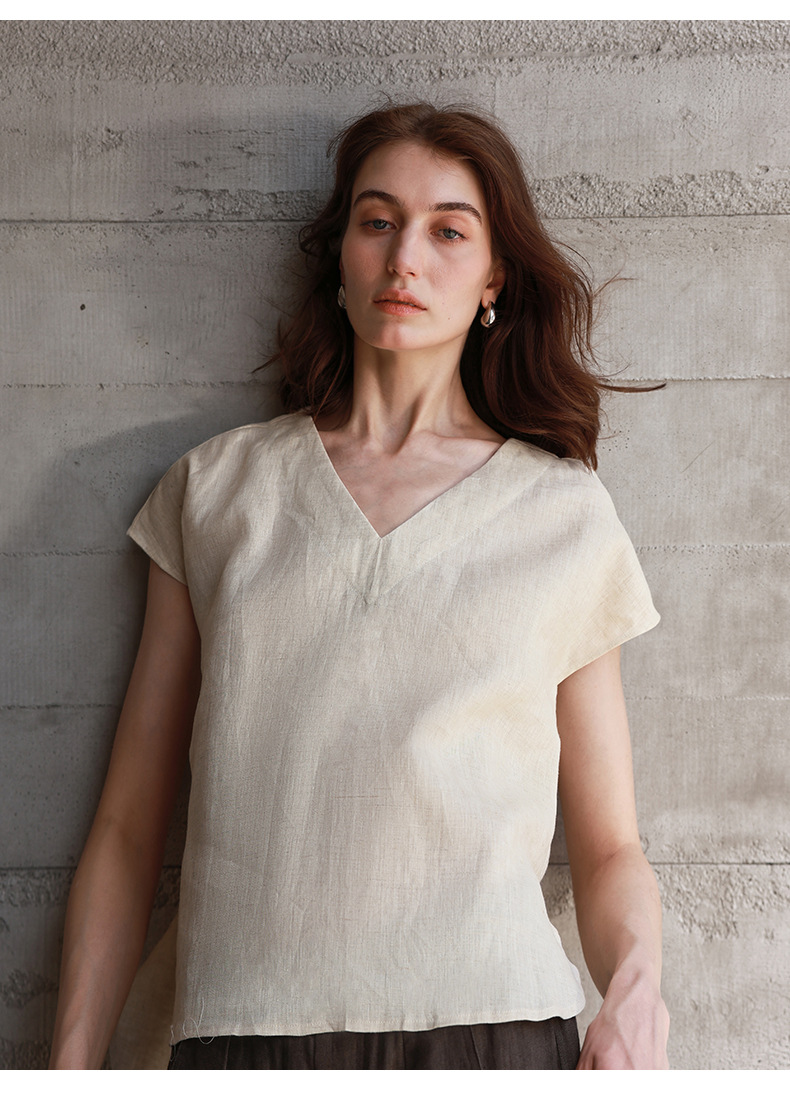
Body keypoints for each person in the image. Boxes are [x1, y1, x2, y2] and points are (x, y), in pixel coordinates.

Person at [49, 102, 670, 1070]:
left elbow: (609, 848)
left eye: (448, 231)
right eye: (377, 221)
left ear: (495, 277)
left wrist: (634, 995)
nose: (404, 257)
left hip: (494, 1034)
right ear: (340, 255)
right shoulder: (217, 493)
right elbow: (128, 832)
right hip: (243, 1037)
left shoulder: (563, 516)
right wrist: (67, 1071)